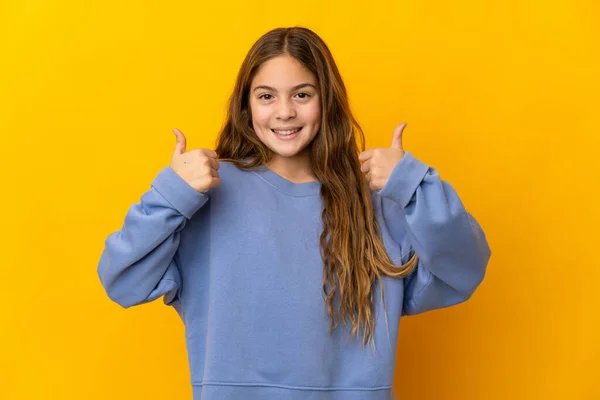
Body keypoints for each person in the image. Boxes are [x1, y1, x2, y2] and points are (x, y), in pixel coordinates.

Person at [97, 26, 491, 400]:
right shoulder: (206, 193)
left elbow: (462, 272)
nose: (284, 112)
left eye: (302, 94)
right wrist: (172, 194)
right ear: (246, 104)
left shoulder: (375, 196)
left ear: (327, 100)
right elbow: (123, 280)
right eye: (266, 96)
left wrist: (413, 184)